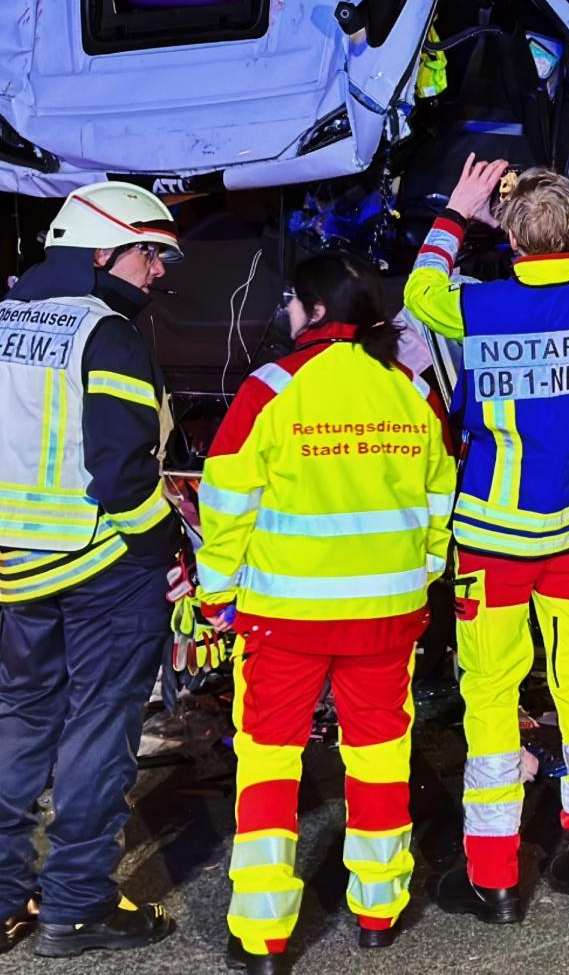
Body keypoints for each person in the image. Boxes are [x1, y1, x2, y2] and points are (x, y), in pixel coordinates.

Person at [0, 181, 186, 957]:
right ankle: (75, 908)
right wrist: (168, 542)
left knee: (21, 722)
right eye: (152, 254)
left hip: (24, 565)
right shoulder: (106, 334)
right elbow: (121, 472)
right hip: (106, 565)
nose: (160, 272)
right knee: (99, 732)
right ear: (103, 249)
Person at [192, 253, 456, 967]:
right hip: (385, 617)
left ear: (310, 308)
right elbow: (441, 500)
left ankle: (264, 935)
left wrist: (215, 595)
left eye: (290, 304)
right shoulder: (409, 390)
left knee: (270, 763)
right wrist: (420, 574)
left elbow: (224, 501)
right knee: (379, 757)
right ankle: (378, 908)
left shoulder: (271, 387)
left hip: (286, 621)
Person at [405, 155, 569, 924]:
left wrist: (458, 210)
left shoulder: (477, 309)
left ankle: (496, 877)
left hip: (494, 540)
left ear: (507, 238)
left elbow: (417, 292)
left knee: (493, 697)